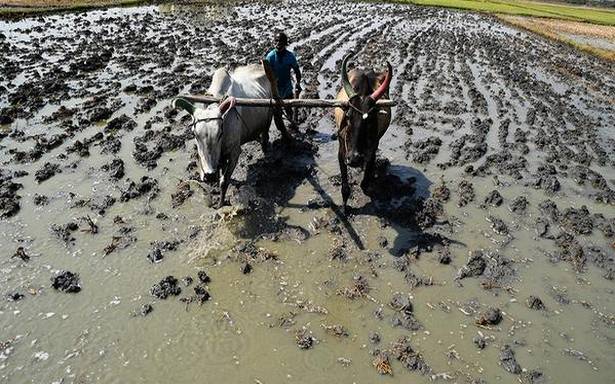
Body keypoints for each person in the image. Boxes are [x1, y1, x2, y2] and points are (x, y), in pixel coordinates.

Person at [265, 32, 302, 130]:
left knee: (289, 110)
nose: (278, 43)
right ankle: (282, 131)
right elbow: (266, 75)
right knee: (277, 114)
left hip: (287, 88)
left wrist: (298, 83)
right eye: (276, 41)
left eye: (281, 41)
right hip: (274, 91)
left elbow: (297, 71)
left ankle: (292, 124)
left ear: (285, 43)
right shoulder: (270, 57)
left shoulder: (290, 56)